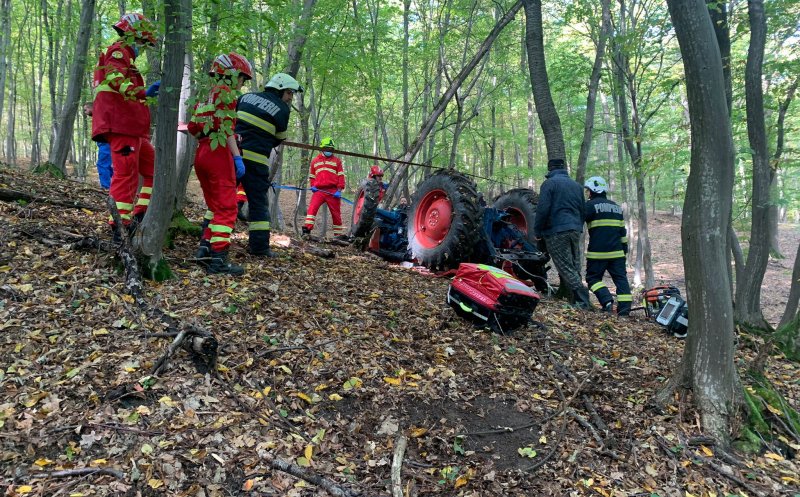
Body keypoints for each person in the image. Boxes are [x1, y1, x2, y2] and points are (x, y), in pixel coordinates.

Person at [91, 13, 160, 236]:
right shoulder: (118, 52)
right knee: (126, 173)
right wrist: (142, 91)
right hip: (120, 125)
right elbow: (115, 78)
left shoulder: (126, 59)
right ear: (133, 36)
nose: (143, 47)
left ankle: (140, 214)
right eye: (142, 42)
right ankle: (119, 226)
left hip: (133, 129)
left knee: (152, 168)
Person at [187, 53, 253, 276]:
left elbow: (193, 128)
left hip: (202, 151)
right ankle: (218, 261)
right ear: (232, 74)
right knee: (227, 208)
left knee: (215, 208)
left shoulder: (207, 97)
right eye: (242, 79)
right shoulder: (226, 94)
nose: (242, 84)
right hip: (218, 152)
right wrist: (237, 157)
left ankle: (204, 251)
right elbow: (228, 130)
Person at [235, 72, 302, 256]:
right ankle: (259, 249)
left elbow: (232, 122)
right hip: (256, 161)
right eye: (289, 93)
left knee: (222, 197)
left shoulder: (245, 97)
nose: (290, 98)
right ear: (279, 89)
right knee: (258, 205)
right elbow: (279, 138)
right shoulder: (282, 109)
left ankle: (207, 243)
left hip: (234, 156)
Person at [532, 158, 592, 309]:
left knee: (565, 266)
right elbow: (583, 210)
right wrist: (577, 225)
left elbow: (543, 209)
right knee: (574, 265)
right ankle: (569, 295)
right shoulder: (577, 186)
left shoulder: (549, 184)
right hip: (575, 230)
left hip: (556, 231)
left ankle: (583, 301)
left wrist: (537, 231)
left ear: (550, 169)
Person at [583, 176, 632, 316]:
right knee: (621, 280)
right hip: (617, 253)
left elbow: (577, 220)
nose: (588, 193)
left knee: (592, 279)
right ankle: (624, 310)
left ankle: (607, 301)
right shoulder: (616, 208)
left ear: (592, 191)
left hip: (597, 254)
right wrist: (625, 249)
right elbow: (623, 232)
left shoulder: (590, 206)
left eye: (588, 191)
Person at [303, 137, 346, 239]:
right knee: (312, 209)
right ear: (322, 148)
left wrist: (339, 189)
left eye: (331, 149)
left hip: (333, 191)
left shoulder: (337, 161)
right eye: (327, 148)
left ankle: (338, 236)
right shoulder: (315, 161)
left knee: (336, 214)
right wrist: (313, 186)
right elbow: (312, 176)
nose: (328, 151)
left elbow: (341, 176)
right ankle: (306, 231)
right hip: (319, 191)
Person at [82, 102, 113, 190]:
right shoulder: (96, 116)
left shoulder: (99, 112)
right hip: (103, 143)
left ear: (91, 108)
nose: (85, 112)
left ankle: (106, 187)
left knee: (102, 164)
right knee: (108, 166)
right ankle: (118, 185)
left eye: (86, 109)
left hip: (105, 142)